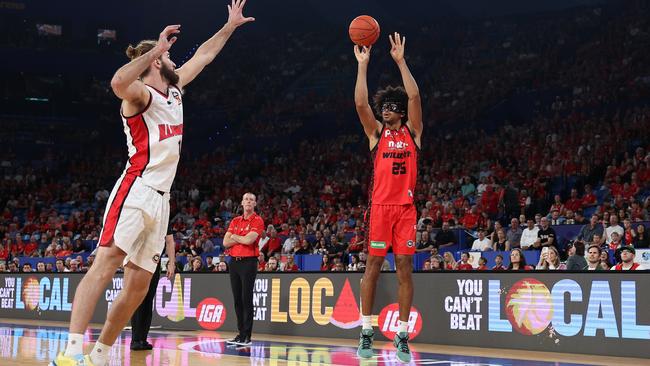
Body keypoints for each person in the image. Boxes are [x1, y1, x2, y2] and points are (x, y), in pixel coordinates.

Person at [51, 2, 255, 365]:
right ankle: (70, 351)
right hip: (136, 189)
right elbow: (117, 82)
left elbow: (204, 56)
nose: (176, 61)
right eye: (169, 57)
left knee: (139, 285)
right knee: (106, 262)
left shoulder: (175, 93)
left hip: (162, 200)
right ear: (157, 62)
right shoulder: (140, 96)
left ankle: (99, 355)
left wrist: (229, 26)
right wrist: (156, 50)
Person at [354, 32, 422, 363]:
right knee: (374, 266)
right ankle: (366, 330)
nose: (383, 113)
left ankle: (403, 335)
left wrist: (401, 61)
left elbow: (414, 96)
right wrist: (362, 66)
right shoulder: (375, 135)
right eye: (382, 110)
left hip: (405, 210)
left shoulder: (413, 132)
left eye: (388, 109)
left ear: (397, 112)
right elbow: (360, 104)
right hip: (381, 209)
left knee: (405, 268)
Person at [223, 193, 264, 347]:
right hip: (234, 262)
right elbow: (226, 242)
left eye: (251, 200)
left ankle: (247, 336)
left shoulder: (257, 220)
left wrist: (235, 236)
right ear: (241, 202)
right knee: (237, 300)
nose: (248, 201)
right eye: (246, 199)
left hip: (249, 262)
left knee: (246, 299)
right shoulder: (235, 220)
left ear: (255, 204)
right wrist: (240, 237)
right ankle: (240, 334)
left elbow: (249, 240)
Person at [130, 231, 176, 350]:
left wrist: (172, 263)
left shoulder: (165, 217)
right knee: (138, 300)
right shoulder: (144, 214)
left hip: (155, 261)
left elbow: (170, 241)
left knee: (149, 300)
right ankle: (135, 339)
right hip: (139, 259)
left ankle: (143, 339)